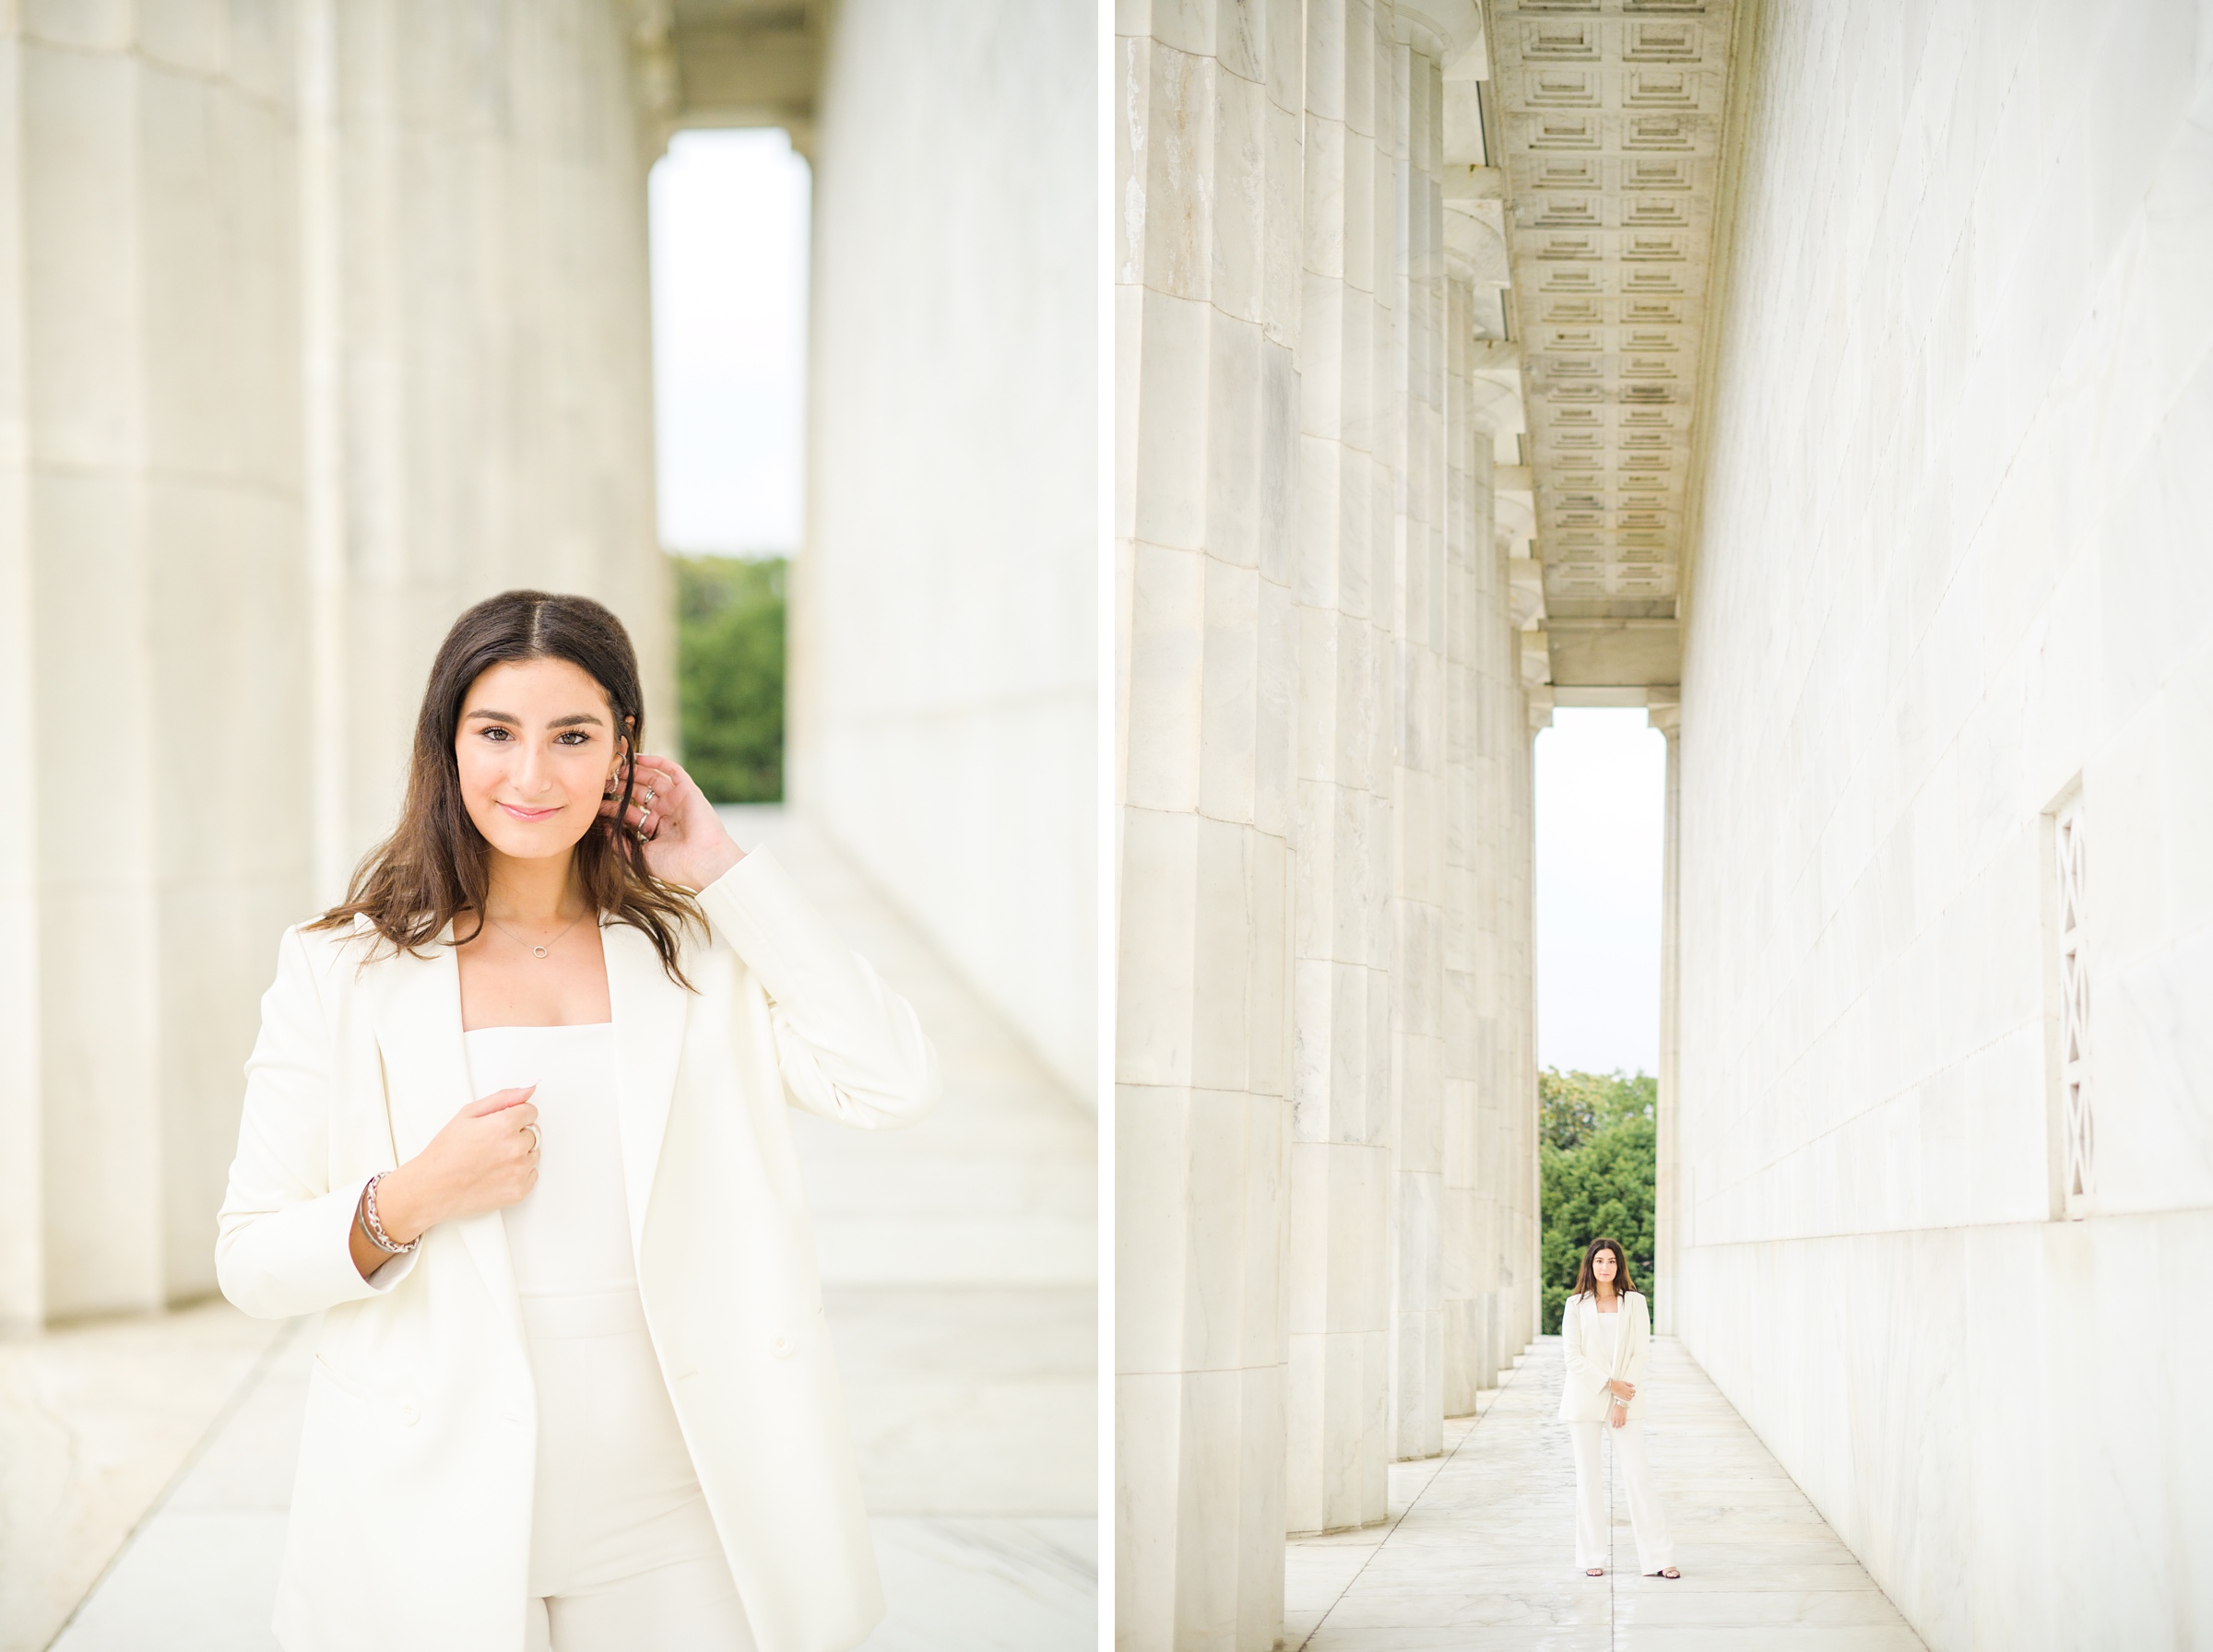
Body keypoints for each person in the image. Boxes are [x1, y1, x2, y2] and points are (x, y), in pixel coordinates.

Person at [216, 590, 940, 1652]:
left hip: (676, 1508)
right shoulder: (344, 966)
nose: (531, 774)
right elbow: (251, 1257)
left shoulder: (695, 949)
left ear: (622, 751)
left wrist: (722, 870)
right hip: (433, 1497)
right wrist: (414, 1196)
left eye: (573, 736)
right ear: (447, 743)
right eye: (496, 733)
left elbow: (891, 1080)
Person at [1557, 1236, 1680, 1580]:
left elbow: (1640, 1353)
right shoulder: (1575, 1304)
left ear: (1619, 1265)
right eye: (1599, 1261)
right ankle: (1591, 1556)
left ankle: (1660, 1557)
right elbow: (1572, 1357)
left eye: (1611, 1261)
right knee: (1589, 1480)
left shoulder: (1636, 1303)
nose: (1605, 1267)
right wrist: (1610, 1385)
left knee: (1638, 1477)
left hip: (1626, 1402)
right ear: (1590, 1266)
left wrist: (1622, 1400)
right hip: (1584, 1401)